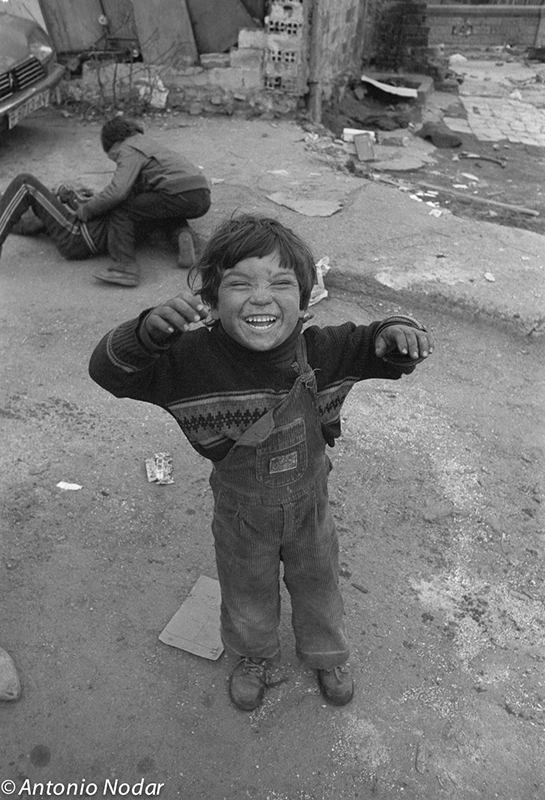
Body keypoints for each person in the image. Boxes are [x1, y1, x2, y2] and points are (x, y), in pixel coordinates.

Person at [88, 214, 434, 711]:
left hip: (310, 505)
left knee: (319, 582)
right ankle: (254, 656)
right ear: (210, 300)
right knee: (246, 591)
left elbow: (374, 341)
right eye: (239, 284)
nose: (261, 296)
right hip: (241, 513)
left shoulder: (324, 349)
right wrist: (144, 334)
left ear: (305, 297)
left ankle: (326, 653)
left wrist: (399, 336)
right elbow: (109, 372)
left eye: (280, 283)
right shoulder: (188, 363)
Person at [75, 117, 211, 288]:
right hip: (200, 193)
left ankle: (125, 268)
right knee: (156, 209)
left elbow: (118, 192)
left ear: (113, 144)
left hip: (175, 191)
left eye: (113, 157)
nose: (116, 161)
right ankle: (182, 235)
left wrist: (88, 209)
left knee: (122, 211)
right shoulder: (146, 143)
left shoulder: (127, 148)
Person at [0, 174, 109, 262]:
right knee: (35, 214)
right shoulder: (123, 185)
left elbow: (92, 209)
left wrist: (70, 195)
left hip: (77, 235)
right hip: (87, 236)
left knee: (25, 184)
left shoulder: (120, 188)